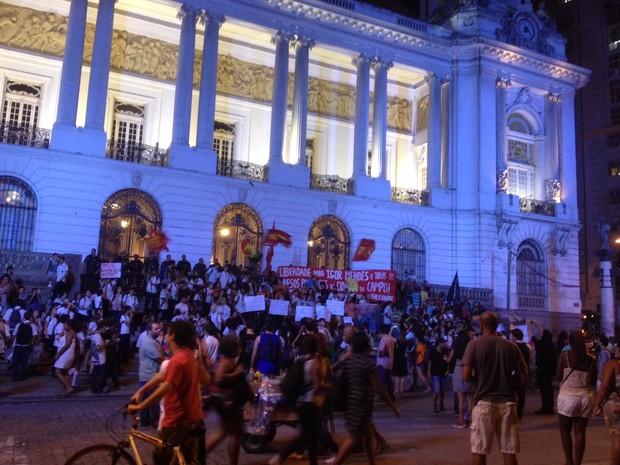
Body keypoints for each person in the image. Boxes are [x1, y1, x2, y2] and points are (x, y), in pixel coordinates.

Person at [128, 320, 211, 465]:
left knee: (161, 458)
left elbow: (164, 388)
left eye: (167, 332)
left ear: (172, 336)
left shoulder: (177, 361)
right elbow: (161, 375)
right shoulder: (187, 355)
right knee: (188, 459)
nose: (164, 335)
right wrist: (141, 391)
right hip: (192, 418)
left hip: (177, 421)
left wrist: (140, 407)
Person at [462, 311, 528, 465]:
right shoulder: (511, 346)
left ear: (481, 326)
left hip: (484, 402)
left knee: (480, 450)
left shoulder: (474, 345)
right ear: (497, 326)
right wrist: (507, 380)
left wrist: (478, 381)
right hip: (507, 403)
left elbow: (465, 376)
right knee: (509, 451)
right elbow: (523, 377)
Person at [329, 332, 400, 465]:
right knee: (353, 439)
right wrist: (392, 406)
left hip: (351, 404)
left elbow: (334, 370)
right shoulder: (368, 363)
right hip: (361, 405)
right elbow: (379, 389)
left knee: (367, 436)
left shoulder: (349, 360)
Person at [555, 331, 597, 465]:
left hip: (568, 397)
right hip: (586, 398)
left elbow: (557, 375)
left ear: (569, 342)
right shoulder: (591, 360)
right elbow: (593, 380)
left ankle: (569, 462)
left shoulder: (565, 355)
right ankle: (578, 463)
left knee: (565, 431)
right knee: (580, 432)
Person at [205, 334, 248, 465]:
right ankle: (199, 456)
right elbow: (219, 378)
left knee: (229, 432)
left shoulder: (227, 361)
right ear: (233, 349)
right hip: (227, 403)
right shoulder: (226, 362)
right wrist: (238, 372)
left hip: (227, 403)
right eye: (238, 347)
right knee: (230, 433)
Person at [594, 343, 620, 465]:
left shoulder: (614, 364)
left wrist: (597, 404)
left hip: (616, 406)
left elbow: (604, 387)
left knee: (617, 440)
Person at [137, 321, 164, 428]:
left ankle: (145, 420)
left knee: (147, 399)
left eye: (159, 329)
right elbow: (159, 358)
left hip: (150, 374)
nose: (159, 331)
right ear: (149, 331)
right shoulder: (148, 342)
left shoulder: (153, 341)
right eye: (156, 329)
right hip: (150, 375)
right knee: (154, 399)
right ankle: (154, 420)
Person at [510, 328, 531, 420]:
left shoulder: (512, 346)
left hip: (513, 374)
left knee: (511, 394)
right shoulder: (527, 346)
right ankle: (519, 413)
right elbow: (530, 358)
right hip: (524, 373)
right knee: (521, 394)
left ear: (514, 336)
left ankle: (512, 412)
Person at [53, 319, 77, 395]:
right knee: (65, 372)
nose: (64, 326)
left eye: (65, 324)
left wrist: (58, 354)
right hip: (69, 354)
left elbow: (67, 345)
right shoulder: (71, 333)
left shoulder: (70, 333)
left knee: (58, 372)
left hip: (65, 354)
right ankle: (67, 388)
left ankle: (68, 387)